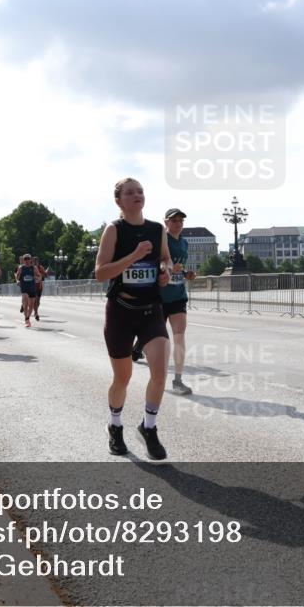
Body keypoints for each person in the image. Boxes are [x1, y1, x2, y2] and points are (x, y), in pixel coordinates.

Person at [94, 177, 172, 460]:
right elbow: (101, 273)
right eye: (129, 192)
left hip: (151, 309)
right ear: (119, 201)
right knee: (122, 377)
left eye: (140, 191)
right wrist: (135, 255)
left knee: (160, 372)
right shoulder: (114, 230)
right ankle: (115, 426)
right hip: (120, 312)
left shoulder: (156, 229)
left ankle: (149, 427)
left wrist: (166, 271)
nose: (136, 195)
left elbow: (165, 259)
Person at [133, 208, 196, 395]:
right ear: (166, 222)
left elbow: (178, 267)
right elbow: (151, 264)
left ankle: (177, 380)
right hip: (159, 296)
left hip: (178, 294)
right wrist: (167, 268)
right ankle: (153, 373)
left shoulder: (184, 243)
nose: (178, 223)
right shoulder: (160, 240)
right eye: (174, 220)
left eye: (180, 221)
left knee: (179, 335)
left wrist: (186, 274)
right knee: (158, 340)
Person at [15, 254, 38, 327]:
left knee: (31, 305)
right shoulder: (21, 268)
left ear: (30, 260)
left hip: (32, 287)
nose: (27, 261)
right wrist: (17, 280)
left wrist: (37, 278)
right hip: (24, 287)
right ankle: (26, 320)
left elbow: (39, 276)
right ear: (24, 260)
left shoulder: (34, 268)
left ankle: (28, 317)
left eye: (28, 259)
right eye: (25, 259)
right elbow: (17, 276)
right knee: (25, 302)